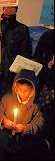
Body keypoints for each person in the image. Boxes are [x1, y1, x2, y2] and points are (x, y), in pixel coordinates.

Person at [0, 6, 32, 136]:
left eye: (12, 7)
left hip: (11, 74)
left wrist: (18, 70)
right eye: (7, 7)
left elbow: (26, 53)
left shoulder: (22, 29)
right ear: (3, 8)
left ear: (16, 9)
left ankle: (8, 123)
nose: (9, 10)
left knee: (9, 100)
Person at [0, 69, 49, 160]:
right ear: (15, 88)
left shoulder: (35, 106)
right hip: (4, 139)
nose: (22, 92)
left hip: (24, 143)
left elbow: (39, 124)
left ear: (32, 91)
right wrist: (3, 120)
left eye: (26, 90)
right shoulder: (7, 99)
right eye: (20, 89)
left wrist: (25, 128)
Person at [33, 30, 54, 158]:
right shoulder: (47, 36)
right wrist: (47, 64)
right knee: (45, 121)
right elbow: (37, 58)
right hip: (49, 86)